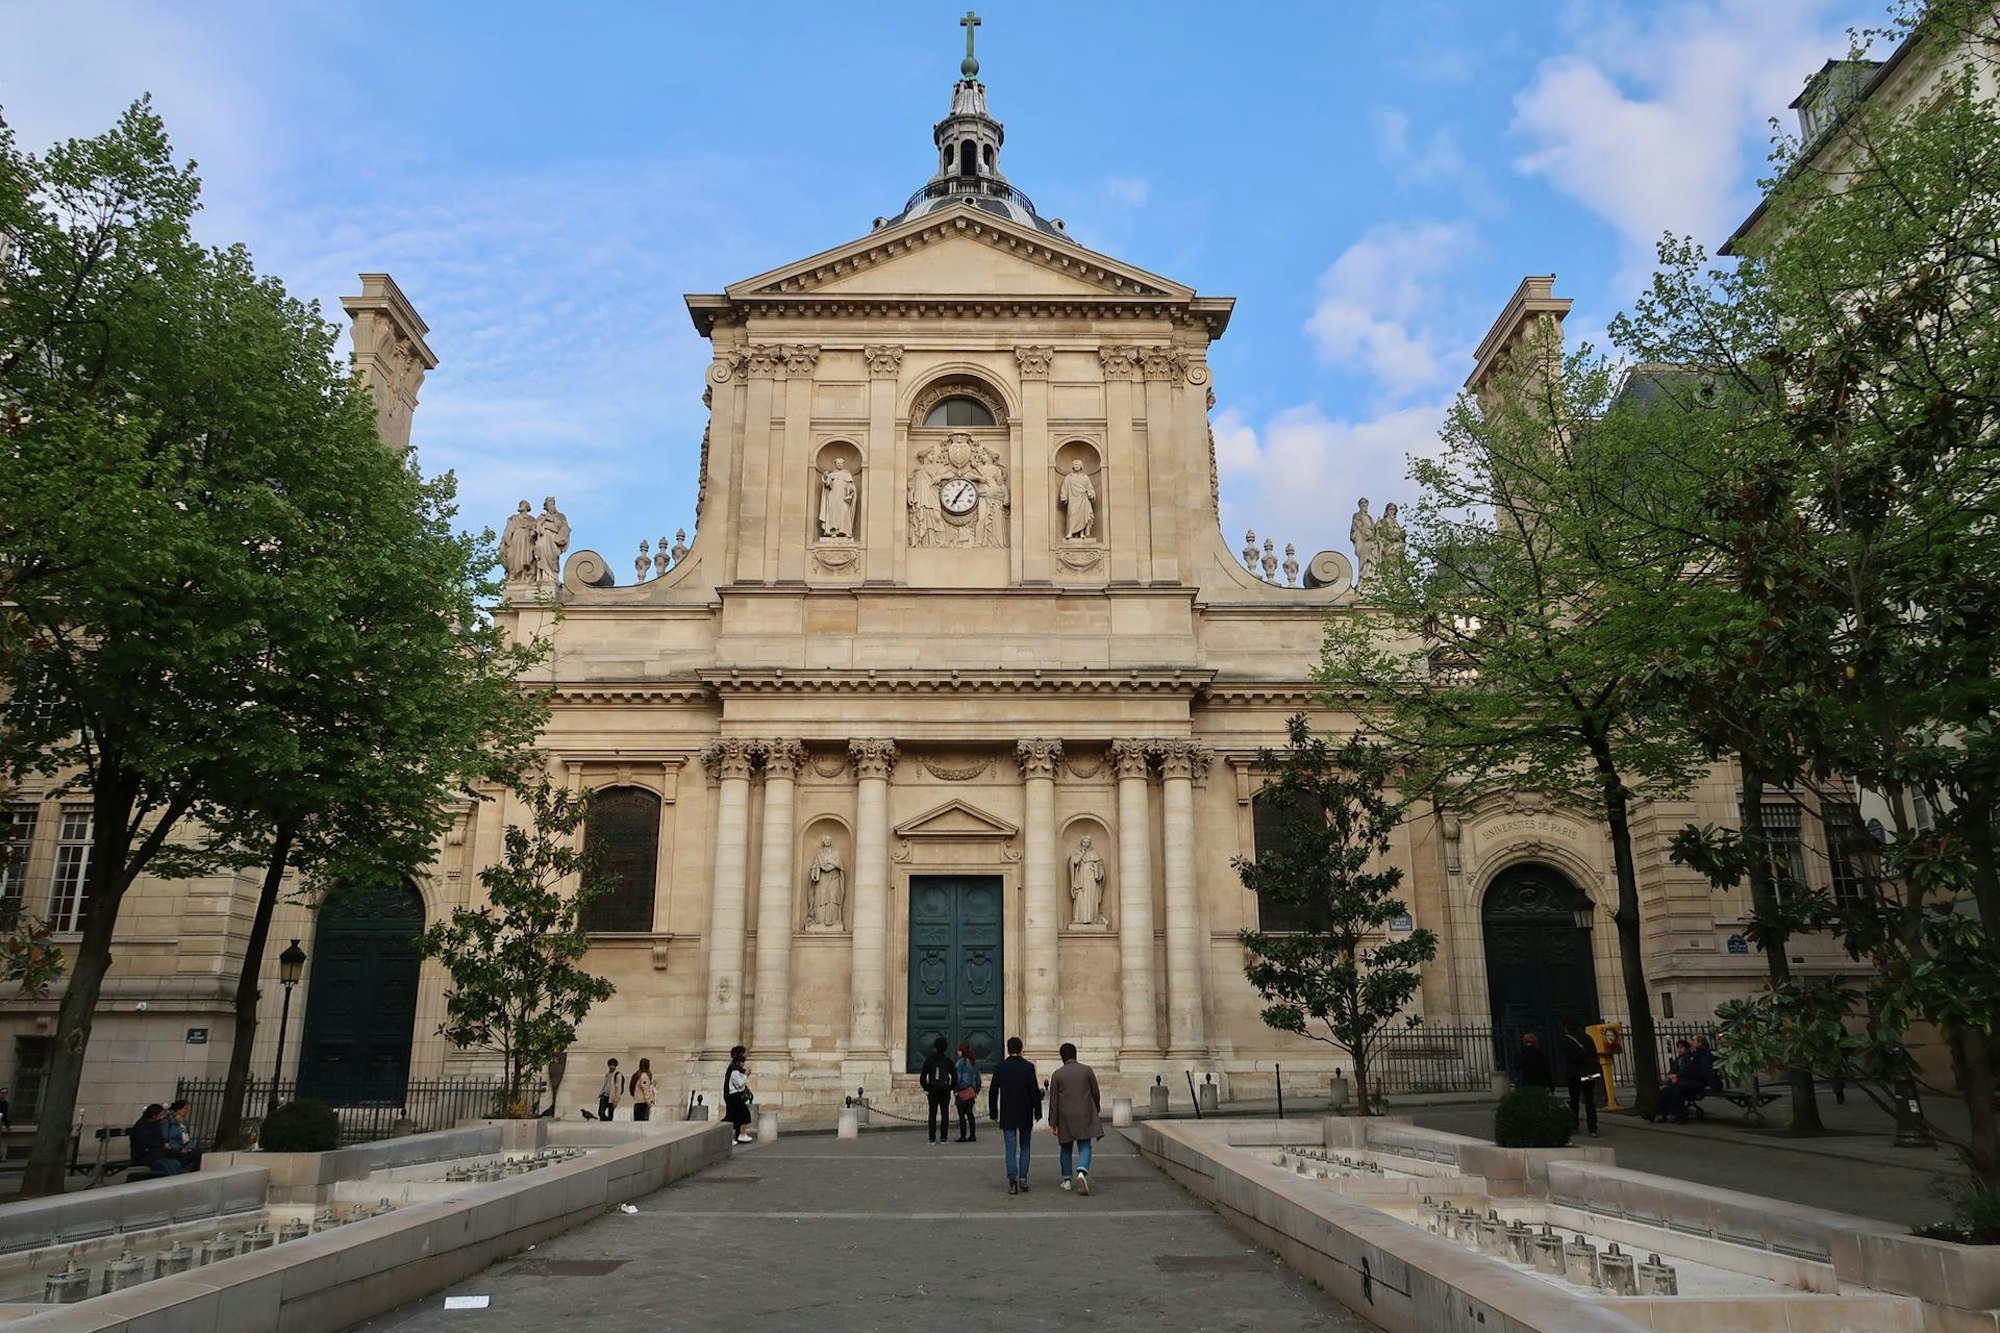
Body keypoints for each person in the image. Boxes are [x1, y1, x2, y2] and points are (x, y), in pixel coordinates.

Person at [987, 1036, 1042, 1195]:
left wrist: (993, 1111)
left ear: (1008, 1049)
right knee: (1025, 1145)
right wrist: (1037, 1111)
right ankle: (1023, 1178)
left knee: (1010, 1148)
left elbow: (993, 1090)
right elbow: (1034, 1091)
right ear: (1021, 1049)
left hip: (1008, 1112)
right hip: (1025, 1112)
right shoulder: (1028, 1067)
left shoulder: (1001, 1067)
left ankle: (1012, 1179)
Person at [1046, 1042, 1103, 1195]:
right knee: (1085, 1145)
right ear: (1075, 1054)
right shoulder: (1087, 1070)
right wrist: (1096, 1106)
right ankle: (1082, 1172)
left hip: (1065, 1115)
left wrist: (1053, 1121)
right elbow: (1095, 1091)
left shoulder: (1057, 1074)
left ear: (1062, 1057)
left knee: (1065, 1147)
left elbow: (1053, 1101)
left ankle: (1066, 1180)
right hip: (1085, 1112)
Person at [1559, 1021, 1601, 1137]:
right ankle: (1592, 1128)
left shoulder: (1566, 1040)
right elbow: (1594, 1055)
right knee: (1589, 1100)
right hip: (1587, 1073)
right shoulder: (1588, 1039)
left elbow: (1566, 1056)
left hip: (1574, 1074)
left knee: (1574, 1100)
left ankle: (1574, 1125)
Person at [920, 1037, 958, 1145]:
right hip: (944, 1091)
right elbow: (955, 1075)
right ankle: (944, 1138)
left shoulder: (929, 1060)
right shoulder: (948, 1060)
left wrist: (927, 1088)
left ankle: (931, 1138)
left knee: (932, 1114)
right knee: (944, 1114)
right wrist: (950, 1087)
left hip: (933, 1090)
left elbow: (923, 1077)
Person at [128, 1104, 183, 1175]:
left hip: (156, 1154)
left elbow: (159, 1140)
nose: (162, 1117)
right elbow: (145, 1143)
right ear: (154, 1116)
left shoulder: (155, 1124)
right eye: (160, 1115)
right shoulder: (141, 1126)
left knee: (175, 1163)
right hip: (145, 1156)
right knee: (167, 1165)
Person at [1652, 1039, 1697, 1122]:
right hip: (1676, 1082)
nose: (1679, 1050)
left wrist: (1677, 1076)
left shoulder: (1690, 1058)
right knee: (1664, 1092)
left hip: (1685, 1082)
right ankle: (1662, 1113)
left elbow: (1689, 1071)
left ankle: (1677, 1114)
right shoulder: (1677, 1060)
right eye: (1678, 1048)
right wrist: (1671, 1075)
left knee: (1675, 1092)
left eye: (1681, 1047)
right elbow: (1672, 1070)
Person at [952, 1042, 983, 1143]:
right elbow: (978, 1078)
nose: (957, 1052)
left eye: (959, 1050)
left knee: (961, 1114)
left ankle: (963, 1136)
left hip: (962, 1090)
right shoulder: (974, 1062)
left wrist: (955, 1089)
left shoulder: (960, 1062)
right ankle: (973, 1135)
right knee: (970, 1114)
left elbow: (957, 1077)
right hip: (971, 1091)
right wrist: (976, 1090)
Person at [723, 1046, 755, 1144]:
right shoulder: (735, 1070)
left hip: (732, 1095)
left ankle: (734, 1136)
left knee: (733, 1117)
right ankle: (739, 1135)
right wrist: (746, 1075)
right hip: (733, 1095)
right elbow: (740, 1084)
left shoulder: (734, 1068)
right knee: (743, 1114)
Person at [162, 1098, 203, 1170]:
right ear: (178, 1110)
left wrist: (189, 1147)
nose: (186, 1111)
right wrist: (180, 1149)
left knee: (198, 1154)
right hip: (174, 1150)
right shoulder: (168, 1122)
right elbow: (166, 1139)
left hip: (184, 1148)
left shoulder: (184, 1123)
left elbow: (187, 1137)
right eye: (185, 1109)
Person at [597, 1058, 625, 1122]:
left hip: (612, 1097)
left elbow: (619, 1089)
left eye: (613, 1065)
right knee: (600, 1112)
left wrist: (616, 1100)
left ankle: (608, 1124)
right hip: (605, 1095)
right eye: (610, 1065)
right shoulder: (607, 1074)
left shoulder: (618, 1075)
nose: (612, 1067)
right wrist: (601, 1092)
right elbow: (606, 1084)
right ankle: (605, 1122)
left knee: (610, 1114)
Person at [630, 1058, 657, 1123]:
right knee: (643, 1123)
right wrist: (649, 1102)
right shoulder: (644, 1076)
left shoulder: (637, 1075)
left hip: (637, 1102)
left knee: (637, 1121)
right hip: (643, 1102)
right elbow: (646, 1090)